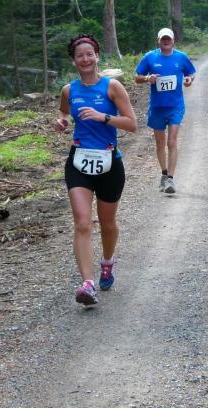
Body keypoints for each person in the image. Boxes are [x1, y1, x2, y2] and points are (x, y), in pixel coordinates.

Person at [55, 34, 137, 306]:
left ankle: (107, 262)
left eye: (90, 54)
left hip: (108, 161)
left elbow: (132, 124)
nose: (85, 59)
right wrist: (62, 121)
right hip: (79, 161)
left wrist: (104, 117)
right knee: (82, 222)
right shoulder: (69, 90)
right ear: (74, 61)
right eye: (80, 55)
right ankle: (87, 284)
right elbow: (63, 112)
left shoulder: (112, 87)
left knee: (107, 224)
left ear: (97, 56)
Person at [135, 27, 196, 194]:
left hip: (176, 106)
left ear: (173, 40)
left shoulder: (181, 57)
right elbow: (137, 77)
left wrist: (189, 79)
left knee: (172, 142)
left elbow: (191, 73)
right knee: (160, 143)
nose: (166, 41)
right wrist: (147, 78)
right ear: (159, 41)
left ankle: (170, 179)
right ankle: (163, 173)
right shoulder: (150, 57)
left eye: (169, 38)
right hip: (157, 107)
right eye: (163, 39)